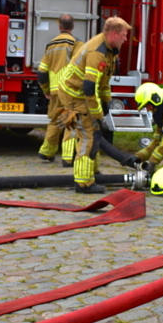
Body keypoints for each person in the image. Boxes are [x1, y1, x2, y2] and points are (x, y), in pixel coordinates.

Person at [59, 16, 131, 194]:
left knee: (95, 132)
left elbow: (104, 83)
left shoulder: (109, 49)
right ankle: (84, 183)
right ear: (113, 34)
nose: (126, 39)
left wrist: (106, 107)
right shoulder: (97, 52)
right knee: (88, 135)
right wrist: (98, 115)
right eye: (123, 35)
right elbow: (89, 88)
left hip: (83, 92)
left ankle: (93, 172)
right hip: (74, 93)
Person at [37, 14, 81, 166]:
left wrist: (46, 90)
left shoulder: (50, 45)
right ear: (72, 26)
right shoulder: (76, 44)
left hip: (55, 90)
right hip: (69, 90)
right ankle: (68, 158)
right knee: (70, 121)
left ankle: (46, 152)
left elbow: (42, 71)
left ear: (59, 26)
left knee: (55, 120)